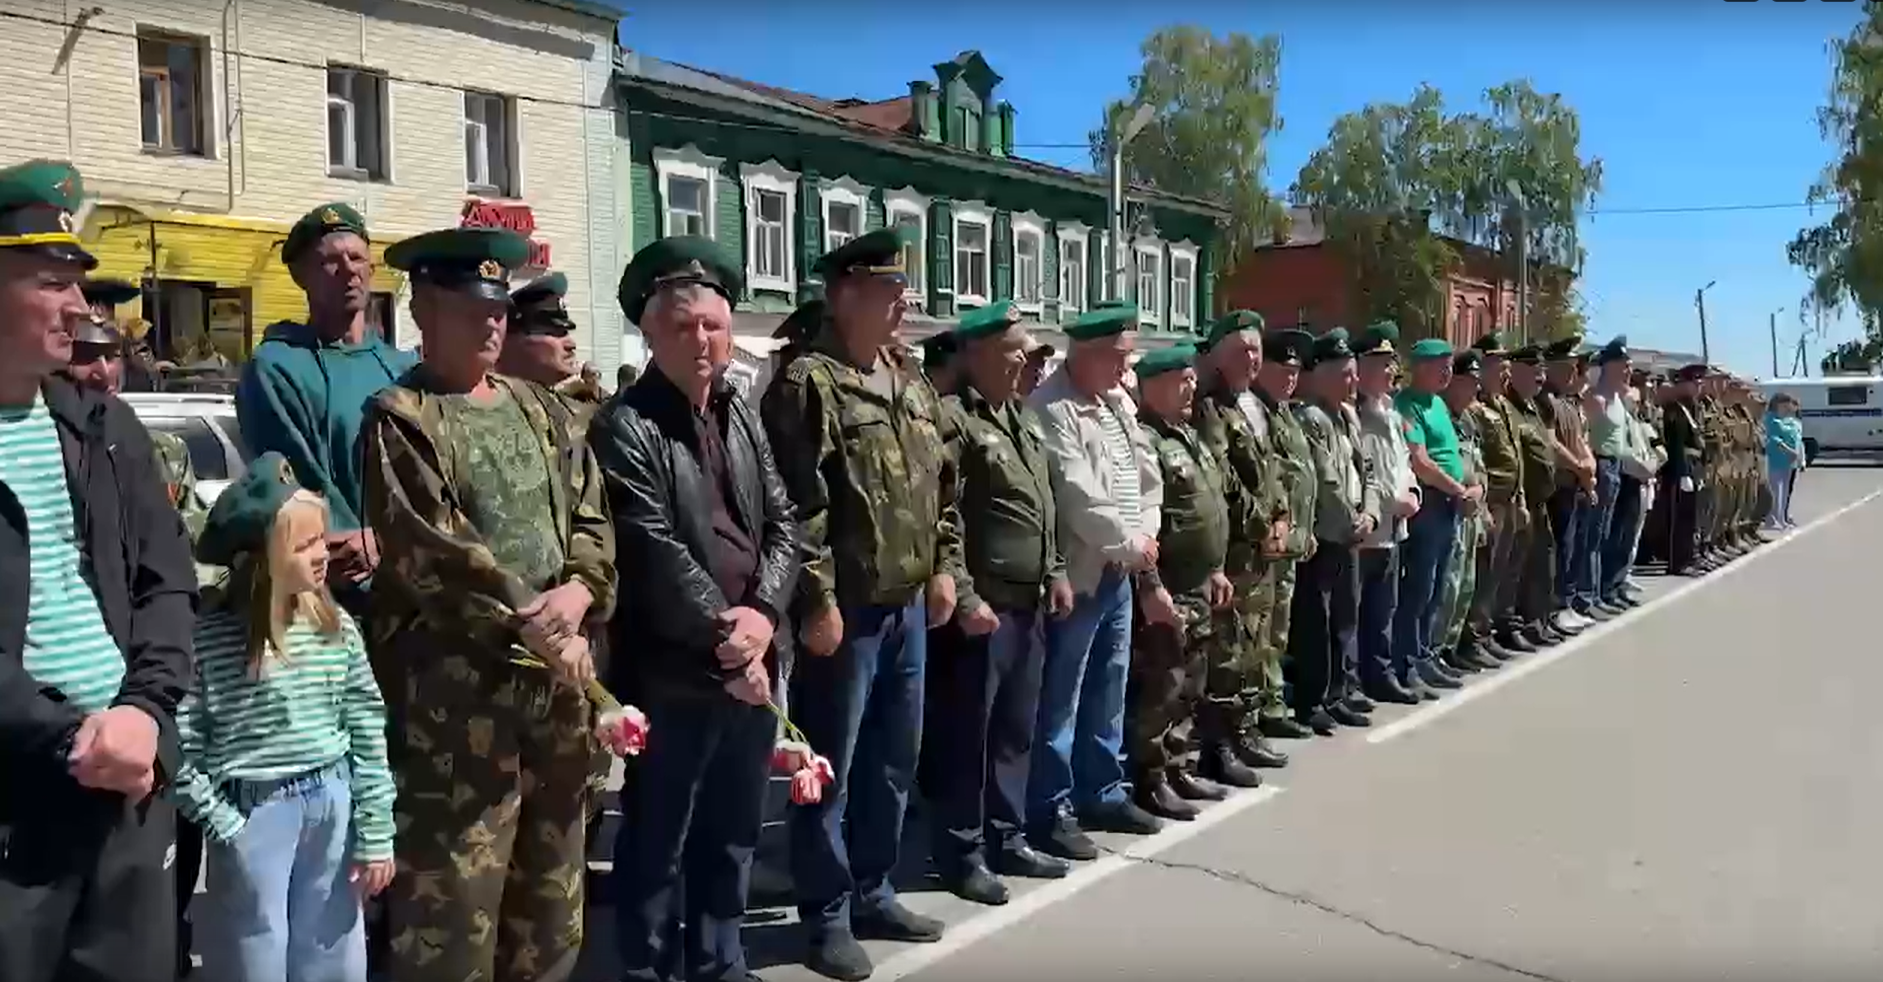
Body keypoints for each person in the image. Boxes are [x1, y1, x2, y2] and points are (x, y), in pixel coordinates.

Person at [362, 226, 618, 980]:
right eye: (470, 308)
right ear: (423, 312)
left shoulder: (541, 410)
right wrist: (539, 625)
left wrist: (578, 590)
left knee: (549, 906)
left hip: (554, 701)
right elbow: (435, 550)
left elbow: (591, 517)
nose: (492, 323)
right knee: (452, 911)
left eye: (498, 308)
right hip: (458, 714)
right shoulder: (403, 414)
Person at [0, 160, 197, 981]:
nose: (81, 308)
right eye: (52, 282)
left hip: (129, 783)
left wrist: (145, 713)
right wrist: (70, 736)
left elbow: (166, 581)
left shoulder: (103, 422)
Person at [595, 236, 801, 982]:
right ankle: (647, 969)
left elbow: (782, 523)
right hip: (675, 673)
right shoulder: (626, 425)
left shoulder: (740, 412)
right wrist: (732, 634)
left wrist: (765, 618)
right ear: (649, 334)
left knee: (733, 828)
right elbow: (650, 550)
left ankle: (721, 961)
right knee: (658, 839)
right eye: (683, 326)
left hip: (750, 659)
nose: (703, 340)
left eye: (713, 324)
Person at [760, 226, 960, 981]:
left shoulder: (906, 380)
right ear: (843, 295)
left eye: (902, 288)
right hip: (845, 613)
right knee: (829, 770)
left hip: (906, 605)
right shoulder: (808, 382)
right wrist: (813, 599)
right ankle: (827, 915)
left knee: (891, 762)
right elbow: (794, 505)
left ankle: (874, 889)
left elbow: (941, 489)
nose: (902, 300)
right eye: (886, 288)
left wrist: (942, 568)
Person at [172, 454, 396, 981]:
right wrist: (223, 821)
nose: (322, 555)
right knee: (254, 953)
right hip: (253, 812)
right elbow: (183, 740)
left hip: (332, 803)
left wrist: (376, 828)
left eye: (322, 540)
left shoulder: (333, 624)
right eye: (304, 545)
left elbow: (365, 724)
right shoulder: (210, 639)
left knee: (332, 951)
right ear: (261, 558)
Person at [920, 300, 1075, 908]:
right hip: (984, 607)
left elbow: (1044, 501)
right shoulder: (954, 420)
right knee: (968, 736)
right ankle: (960, 851)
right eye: (1013, 354)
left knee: (1014, 729)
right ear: (978, 353)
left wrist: (1057, 569)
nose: (1022, 366)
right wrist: (964, 593)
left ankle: (1007, 835)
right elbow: (944, 514)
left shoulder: (1021, 418)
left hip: (1029, 601)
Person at [1025, 301, 1165, 860]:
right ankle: (1051, 806)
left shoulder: (1116, 404)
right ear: (1088, 353)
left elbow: (1145, 475)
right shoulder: (1051, 408)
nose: (1125, 371)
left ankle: (1103, 790)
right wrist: (1130, 543)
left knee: (1109, 684)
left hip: (1120, 570)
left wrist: (1146, 534)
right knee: (1063, 695)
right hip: (1082, 572)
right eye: (1119, 358)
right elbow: (1078, 494)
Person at [237, 203, 416, 618]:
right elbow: (294, 472)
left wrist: (396, 544)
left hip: (412, 587)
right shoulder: (276, 367)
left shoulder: (404, 368)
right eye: (329, 262)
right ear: (301, 276)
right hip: (334, 590)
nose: (349, 271)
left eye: (356, 258)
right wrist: (353, 542)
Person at [1128, 344, 1237, 820]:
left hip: (1199, 582)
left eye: (1192, 379)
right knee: (1162, 684)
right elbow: (1144, 519)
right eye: (1180, 379)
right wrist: (1153, 583)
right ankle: (1148, 777)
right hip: (1169, 583)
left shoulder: (1186, 436)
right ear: (1151, 385)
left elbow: (1206, 506)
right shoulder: (1144, 440)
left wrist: (1215, 566)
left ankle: (1178, 764)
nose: (1191, 386)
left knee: (1190, 681)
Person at [1191, 311, 1290, 776]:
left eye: (1255, 349)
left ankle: (1246, 729)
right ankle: (1219, 746)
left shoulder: (1259, 404)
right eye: (1240, 351)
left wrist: (1283, 516)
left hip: (1263, 547)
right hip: (1235, 547)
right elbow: (1222, 476)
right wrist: (1259, 524)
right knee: (1225, 649)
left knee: (1256, 641)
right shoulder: (1211, 407)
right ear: (1217, 357)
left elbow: (1275, 468)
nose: (1251, 358)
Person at [1290, 329, 1379, 736]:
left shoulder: (1348, 416)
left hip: (1351, 534)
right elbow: (1325, 480)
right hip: (1327, 537)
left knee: (1346, 617)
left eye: (1354, 374)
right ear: (1322, 375)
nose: (1353, 382)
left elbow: (1369, 472)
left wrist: (1371, 515)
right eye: (1345, 374)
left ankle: (1339, 693)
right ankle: (1314, 699)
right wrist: (1351, 521)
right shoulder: (1312, 419)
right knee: (1317, 622)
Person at [1393, 338, 1476, 693]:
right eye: (1440, 366)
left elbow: (1455, 454)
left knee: (1440, 584)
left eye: (1448, 365)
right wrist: (1458, 490)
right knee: (1419, 587)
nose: (1447, 372)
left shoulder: (1439, 404)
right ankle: (1407, 661)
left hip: (1450, 503)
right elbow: (1421, 462)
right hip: (1429, 503)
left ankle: (1425, 656)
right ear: (1420, 368)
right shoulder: (1407, 405)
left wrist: (1472, 488)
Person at [1249, 328, 1317, 742]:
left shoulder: (1286, 412)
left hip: (1292, 542)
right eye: (1282, 369)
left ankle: (1272, 701)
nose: (1290, 378)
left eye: (1294, 371)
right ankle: (1260, 707)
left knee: (1278, 628)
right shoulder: (1255, 412)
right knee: (1259, 631)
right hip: (1268, 543)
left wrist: (1303, 531)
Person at [1351, 323, 1420, 704]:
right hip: (1369, 527)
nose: (1389, 371)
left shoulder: (1391, 414)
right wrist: (1394, 502)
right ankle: (1356, 680)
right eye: (1380, 363)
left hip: (1395, 528)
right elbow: (1364, 474)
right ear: (1360, 367)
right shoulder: (1355, 414)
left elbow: (1402, 464)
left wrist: (1411, 490)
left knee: (1384, 609)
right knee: (1358, 611)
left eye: (1391, 363)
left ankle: (1380, 674)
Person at [1462, 333, 1528, 664]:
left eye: (1506, 366)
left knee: (1499, 573)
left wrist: (1521, 499)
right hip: (1488, 504)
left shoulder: (1503, 406)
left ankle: (1485, 632)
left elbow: (1514, 453)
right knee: (1482, 573)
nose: (1504, 373)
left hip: (1509, 502)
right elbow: (1477, 462)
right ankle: (1472, 638)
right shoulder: (1474, 409)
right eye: (1498, 366)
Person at [1504, 345, 1571, 646]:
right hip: (1522, 500)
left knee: (1544, 563)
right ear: (1516, 371)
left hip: (1540, 500)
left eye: (1543, 371)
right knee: (1518, 568)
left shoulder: (1534, 407)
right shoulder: (1509, 407)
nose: (1541, 377)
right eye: (1534, 371)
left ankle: (1539, 621)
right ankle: (1517, 625)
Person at [1436, 350, 1497, 673]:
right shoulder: (1441, 416)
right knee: (1447, 584)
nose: (1474, 389)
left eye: (1476, 382)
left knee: (1466, 584)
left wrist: (1482, 496)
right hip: (1451, 510)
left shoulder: (1469, 420)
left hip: (1472, 511)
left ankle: (1451, 646)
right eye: (1467, 382)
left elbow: (1480, 467)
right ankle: (1436, 649)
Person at [1539, 338, 1600, 626]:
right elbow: (1551, 443)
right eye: (1565, 368)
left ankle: (1567, 600)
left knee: (1572, 545)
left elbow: (1578, 440)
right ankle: (1556, 606)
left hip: (1573, 483)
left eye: (1573, 368)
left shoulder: (1569, 402)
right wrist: (1579, 467)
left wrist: (1588, 468)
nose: (1571, 374)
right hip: (1558, 484)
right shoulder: (1546, 400)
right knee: (1558, 547)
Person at [1586, 337, 1644, 611]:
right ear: (1607, 366)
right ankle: (1592, 595)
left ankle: (1608, 589)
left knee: (1613, 534)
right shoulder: (1595, 399)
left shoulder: (1619, 399)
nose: (1628, 370)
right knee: (1596, 536)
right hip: (1601, 466)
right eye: (1623, 365)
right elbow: (1587, 440)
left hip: (1619, 468)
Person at [502, 270, 605, 412]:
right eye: (554, 333)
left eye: (565, 332)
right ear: (510, 338)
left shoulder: (582, 403)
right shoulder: (492, 408)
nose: (571, 344)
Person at [1764, 392, 1804, 529]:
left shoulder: (1786, 420)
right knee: (1776, 491)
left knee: (1785, 492)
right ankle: (1773, 518)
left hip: (1788, 462)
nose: (1788, 407)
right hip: (1776, 460)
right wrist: (1789, 450)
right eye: (1786, 404)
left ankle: (1781, 518)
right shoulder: (1771, 419)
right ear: (1778, 404)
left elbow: (1797, 440)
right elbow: (1774, 439)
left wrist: (1798, 456)